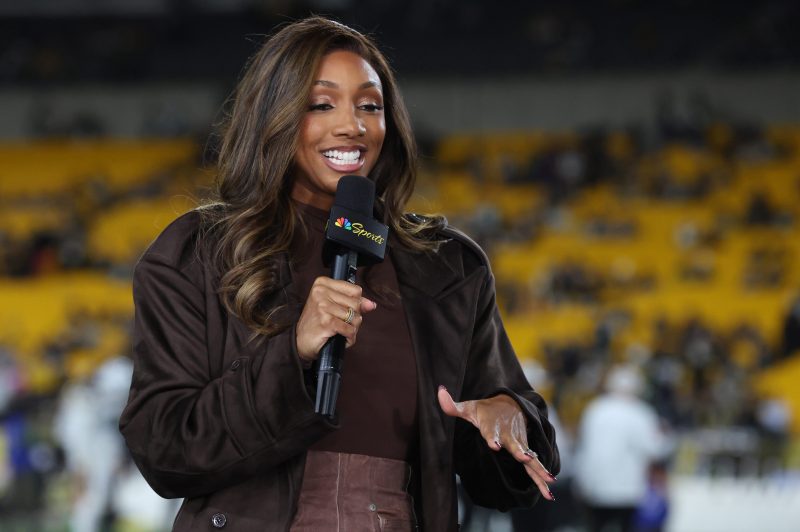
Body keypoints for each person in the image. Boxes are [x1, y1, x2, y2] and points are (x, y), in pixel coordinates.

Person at [119, 16, 559, 532]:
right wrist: (294, 354)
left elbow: (509, 481)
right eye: (321, 104)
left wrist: (509, 416)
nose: (352, 125)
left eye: (369, 106)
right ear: (274, 116)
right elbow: (164, 450)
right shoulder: (198, 252)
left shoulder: (448, 267)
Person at [573, 365, 672, 532]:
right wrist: (667, 437)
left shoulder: (595, 409)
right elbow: (655, 449)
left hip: (595, 486)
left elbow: (583, 445)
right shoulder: (640, 413)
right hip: (627, 490)